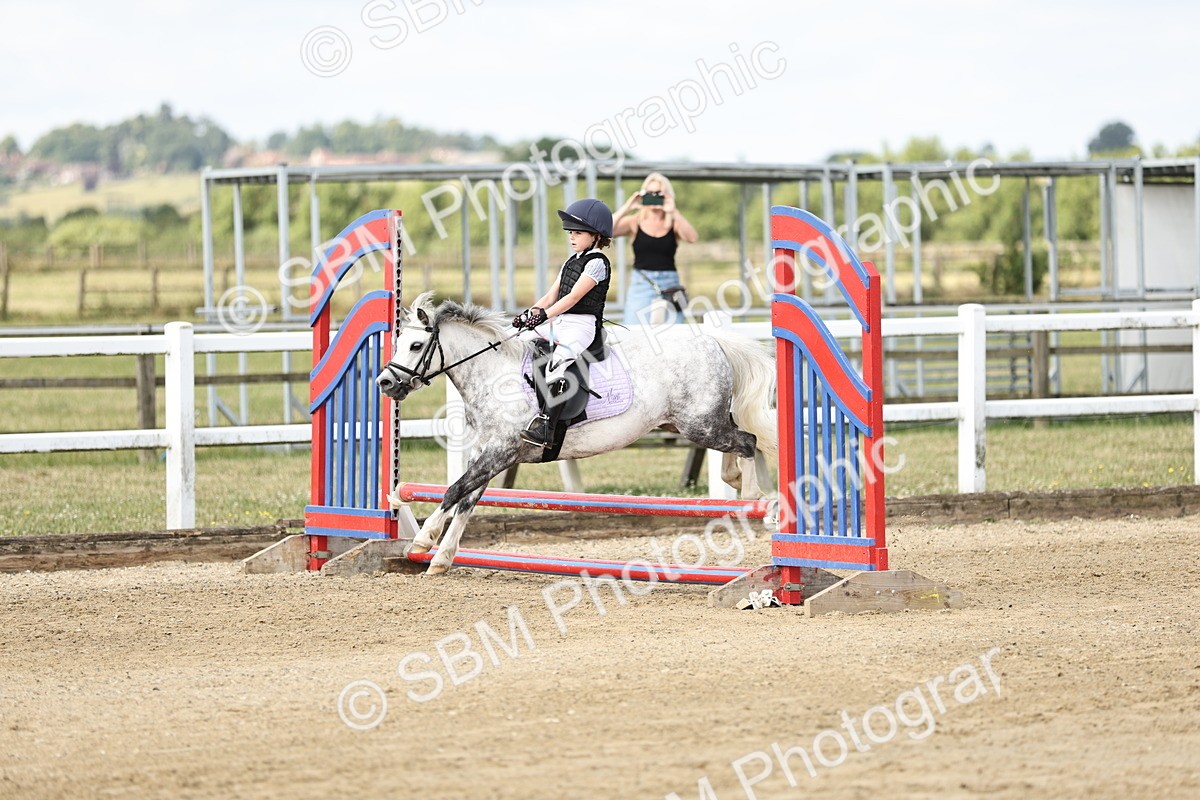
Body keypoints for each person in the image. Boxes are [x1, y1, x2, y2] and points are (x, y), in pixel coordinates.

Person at [511, 197, 614, 447]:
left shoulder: (598, 263)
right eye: (570, 232)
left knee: (558, 364)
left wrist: (545, 316)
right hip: (561, 319)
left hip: (582, 325)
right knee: (518, 340)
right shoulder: (571, 261)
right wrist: (531, 313)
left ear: (596, 235)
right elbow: (551, 296)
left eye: (578, 233)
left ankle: (548, 426)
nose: (571, 237)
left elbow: (574, 297)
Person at [611, 172, 698, 325]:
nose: (654, 196)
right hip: (642, 282)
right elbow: (605, 230)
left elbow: (692, 238)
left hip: (670, 284)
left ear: (667, 195)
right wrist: (627, 207)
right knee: (633, 331)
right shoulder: (634, 222)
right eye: (650, 193)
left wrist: (673, 211)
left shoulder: (673, 223)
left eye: (658, 193)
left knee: (673, 336)